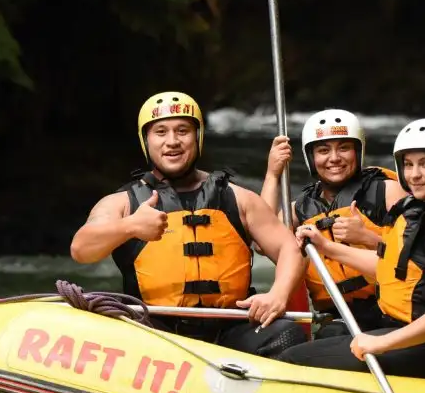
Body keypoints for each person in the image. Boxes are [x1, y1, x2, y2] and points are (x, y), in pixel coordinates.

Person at [69, 91, 307, 357]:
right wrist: (130, 226)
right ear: (146, 140)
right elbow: (81, 249)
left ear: (198, 136)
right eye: (160, 132)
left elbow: (289, 250)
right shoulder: (122, 203)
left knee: (287, 334)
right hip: (154, 328)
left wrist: (278, 295)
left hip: (230, 328)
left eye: (183, 130)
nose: (172, 141)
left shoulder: (239, 198)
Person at [277, 118, 425, 380]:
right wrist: (327, 247)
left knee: (292, 360)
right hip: (409, 337)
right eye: (408, 165)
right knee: (314, 346)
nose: (414, 175)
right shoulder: (422, 214)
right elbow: (390, 268)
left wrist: (380, 344)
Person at [261, 109, 408, 338]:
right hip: (338, 320)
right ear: (311, 158)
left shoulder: (386, 191)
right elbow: (263, 240)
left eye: (344, 148)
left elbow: (421, 259)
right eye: (323, 150)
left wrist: (368, 237)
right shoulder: (300, 208)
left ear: (358, 152)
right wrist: (272, 174)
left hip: (393, 313)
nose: (334, 158)